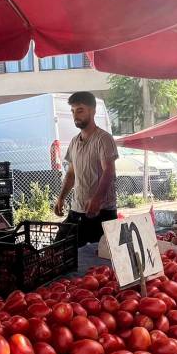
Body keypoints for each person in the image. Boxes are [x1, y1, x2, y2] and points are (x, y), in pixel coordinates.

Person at [54, 91, 118, 245]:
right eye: (73, 111)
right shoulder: (74, 142)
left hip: (102, 212)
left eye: (80, 110)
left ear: (93, 111)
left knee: (99, 261)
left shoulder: (104, 139)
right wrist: (61, 198)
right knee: (60, 250)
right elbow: (71, 174)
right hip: (77, 209)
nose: (75, 115)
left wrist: (97, 199)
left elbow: (109, 172)